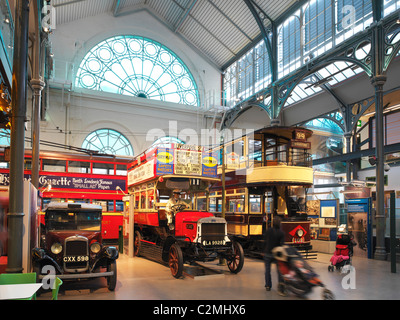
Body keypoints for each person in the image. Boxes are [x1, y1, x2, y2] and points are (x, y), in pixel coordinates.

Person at [263, 216, 286, 296]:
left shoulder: (269, 231)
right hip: (277, 254)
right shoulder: (281, 233)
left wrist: (264, 250)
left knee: (267, 270)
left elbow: (265, 240)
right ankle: (281, 286)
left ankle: (268, 286)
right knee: (280, 271)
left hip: (268, 253)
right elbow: (282, 245)